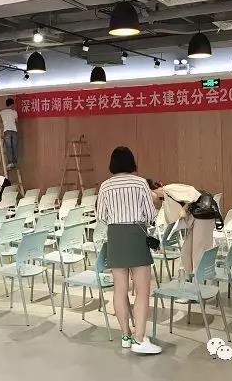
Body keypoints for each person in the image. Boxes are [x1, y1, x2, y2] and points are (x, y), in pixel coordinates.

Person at [97, 146, 163, 354]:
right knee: (142, 291)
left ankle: (125, 336)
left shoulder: (105, 185)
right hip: (136, 234)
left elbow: (101, 216)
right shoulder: (140, 183)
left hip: (115, 236)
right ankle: (139, 338)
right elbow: (151, 214)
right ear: (131, 162)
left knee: (119, 290)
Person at [0, 98, 19, 168]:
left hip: (6, 130)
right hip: (14, 130)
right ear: (12, 104)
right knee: (14, 147)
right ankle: (15, 162)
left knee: (8, 147)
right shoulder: (14, 112)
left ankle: (10, 163)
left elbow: (2, 120)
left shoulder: (2, 112)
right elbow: (17, 121)